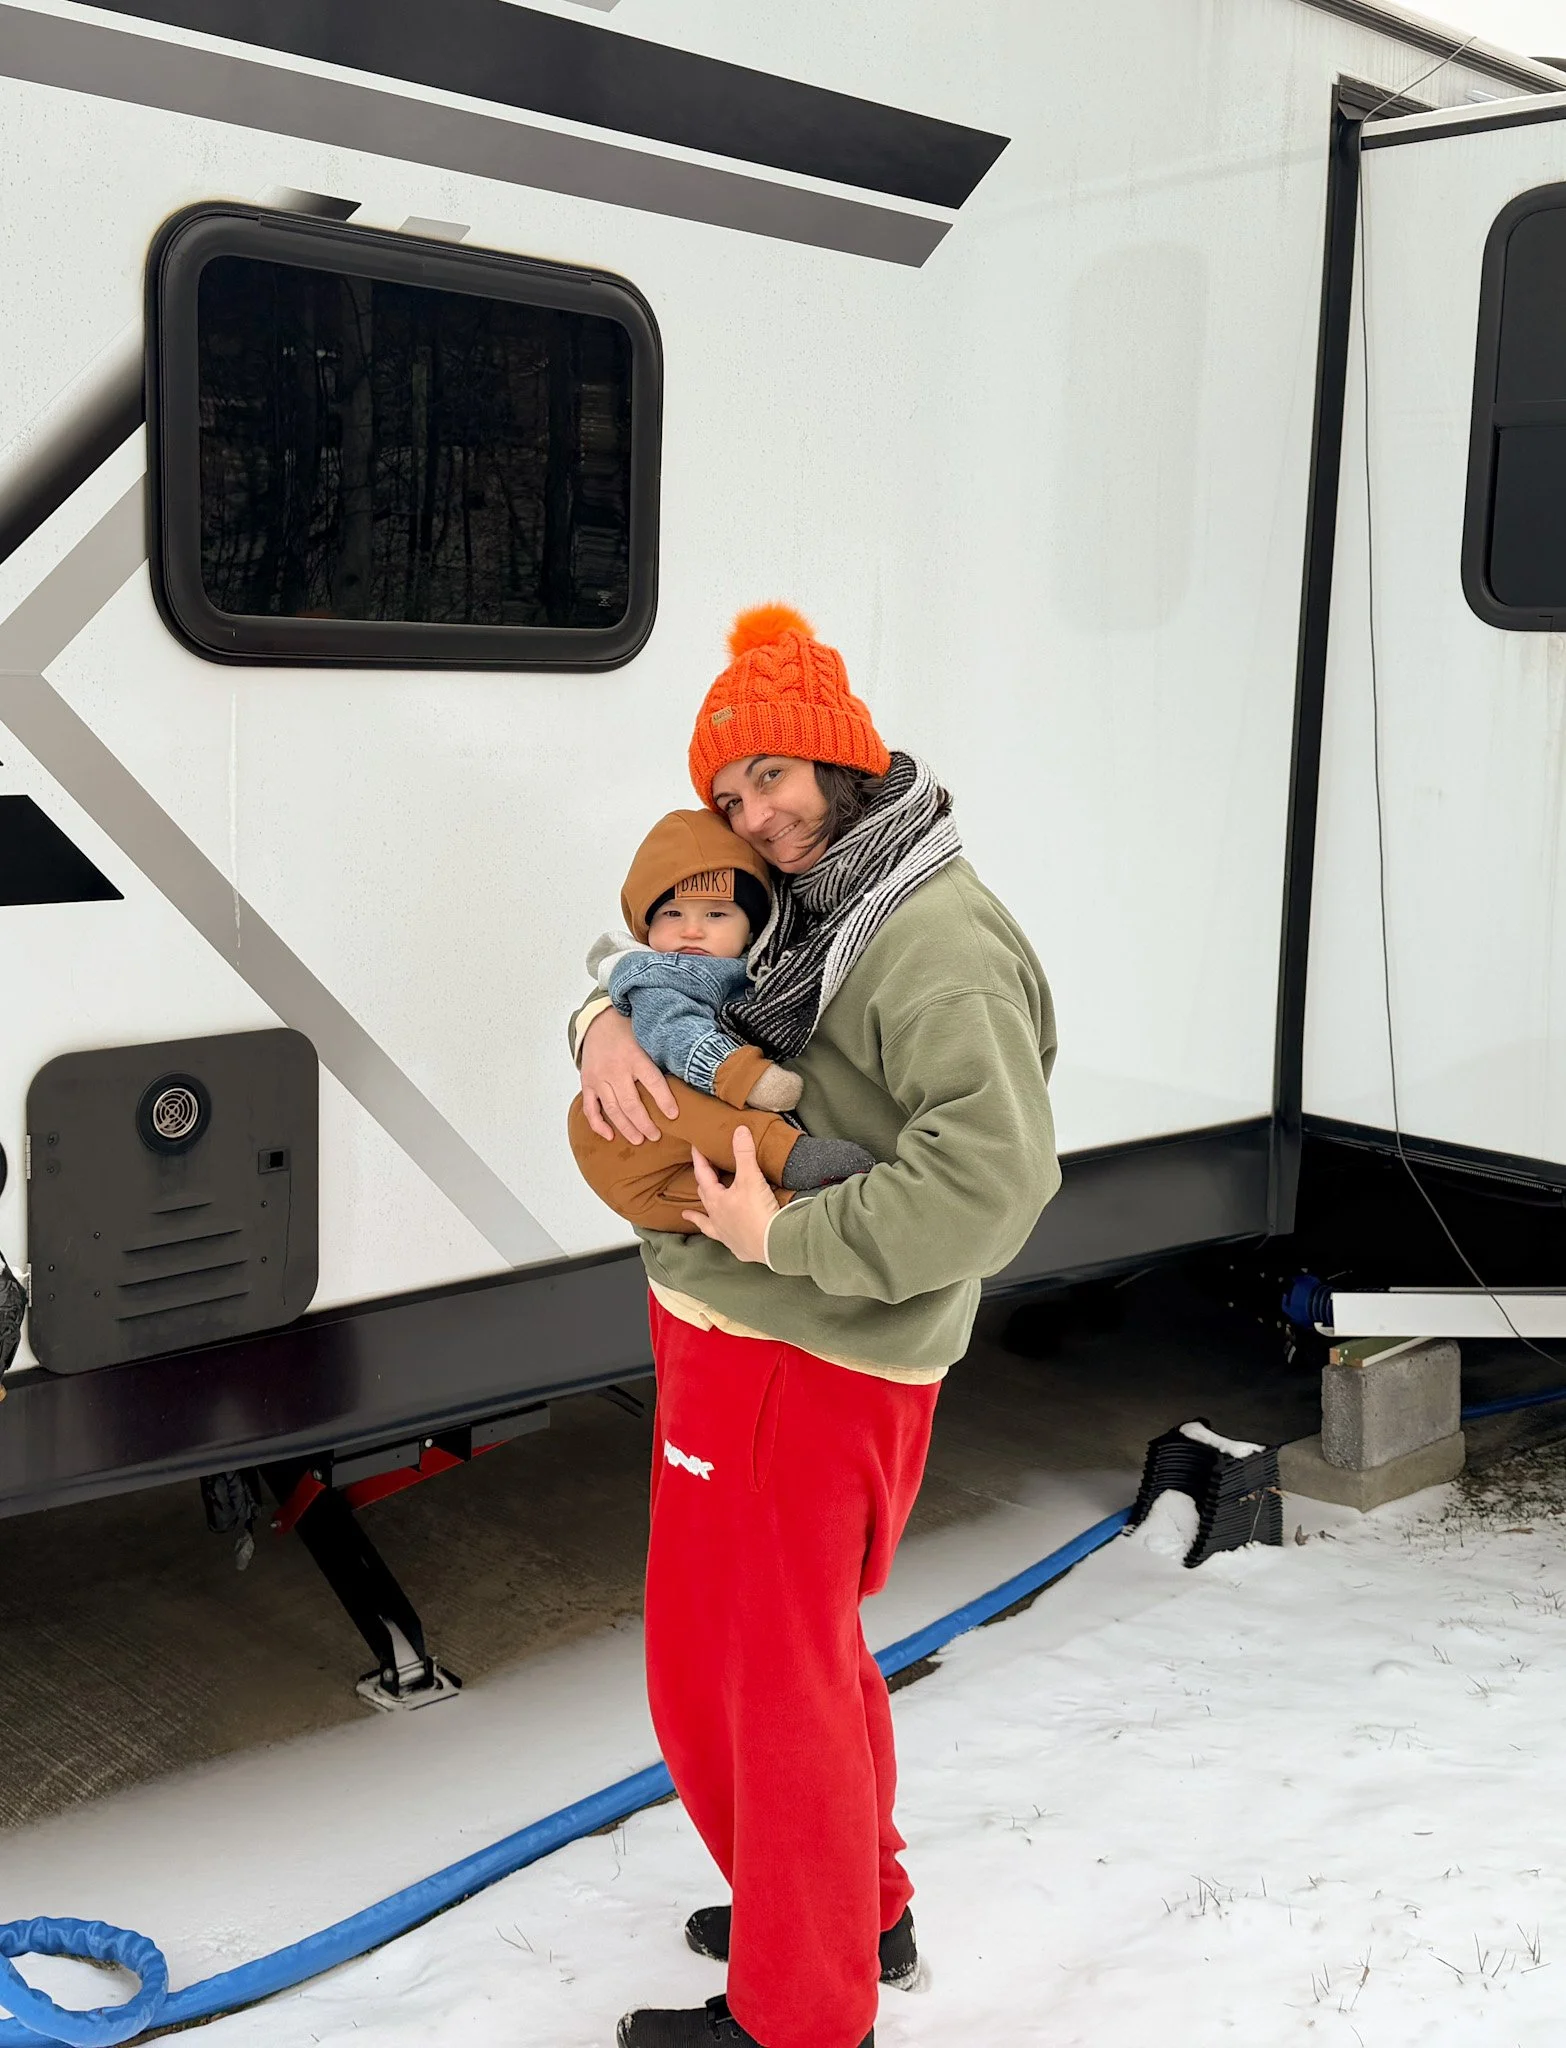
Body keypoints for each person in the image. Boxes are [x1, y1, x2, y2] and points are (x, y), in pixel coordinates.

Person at [574, 605, 1060, 2048]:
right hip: (753, 1334)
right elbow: (679, 973)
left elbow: (991, 1183)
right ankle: (846, 1911)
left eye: (773, 776)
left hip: (803, 1350)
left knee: (746, 1683)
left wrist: (779, 1236)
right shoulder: (825, 902)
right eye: (731, 795)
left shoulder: (929, 939)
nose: (756, 816)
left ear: (840, 762)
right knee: (788, 1661)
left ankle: (799, 2011)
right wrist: (601, 1024)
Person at [568, 807, 874, 1232]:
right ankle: (786, 1155)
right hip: (631, 1135)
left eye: (716, 914)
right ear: (646, 927)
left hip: (677, 1168)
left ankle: (789, 1207)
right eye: (672, 914)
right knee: (672, 1100)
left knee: (719, 1200)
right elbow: (675, 1029)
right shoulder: (657, 972)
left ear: (752, 929)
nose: (692, 931)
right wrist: (744, 1077)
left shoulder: (765, 968)